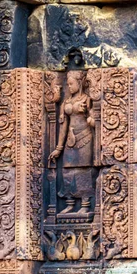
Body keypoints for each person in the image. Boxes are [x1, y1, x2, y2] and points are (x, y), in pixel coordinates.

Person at [49, 70, 96, 215]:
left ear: (80, 83)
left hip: (85, 138)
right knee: (67, 171)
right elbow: (63, 126)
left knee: (83, 171)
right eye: (68, 84)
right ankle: (69, 203)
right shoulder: (66, 103)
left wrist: (91, 120)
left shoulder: (86, 99)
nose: (69, 86)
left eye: (71, 84)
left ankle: (85, 204)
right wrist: (59, 147)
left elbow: (94, 117)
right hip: (70, 140)